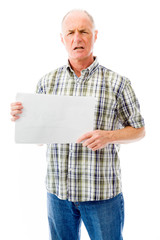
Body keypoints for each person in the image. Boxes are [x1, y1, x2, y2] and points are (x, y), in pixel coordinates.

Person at [10, 9, 145, 240]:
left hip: (101, 195)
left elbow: (139, 130)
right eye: (70, 32)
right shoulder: (47, 82)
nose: (77, 38)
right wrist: (23, 118)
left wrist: (109, 136)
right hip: (58, 194)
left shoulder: (118, 83)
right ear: (62, 39)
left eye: (84, 31)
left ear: (95, 35)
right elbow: (40, 138)